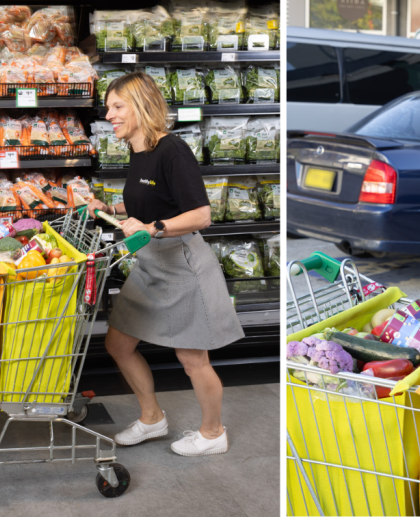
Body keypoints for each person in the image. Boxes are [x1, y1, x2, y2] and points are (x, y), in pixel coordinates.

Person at [87, 72, 244, 456]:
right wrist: (110, 209)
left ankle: (213, 434)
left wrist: (153, 227)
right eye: (109, 107)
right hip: (150, 264)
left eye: (117, 106)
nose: (109, 115)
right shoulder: (139, 152)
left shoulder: (173, 150)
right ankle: (152, 417)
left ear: (141, 106)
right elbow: (149, 199)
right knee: (118, 343)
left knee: (193, 358)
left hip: (183, 265)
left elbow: (201, 215)